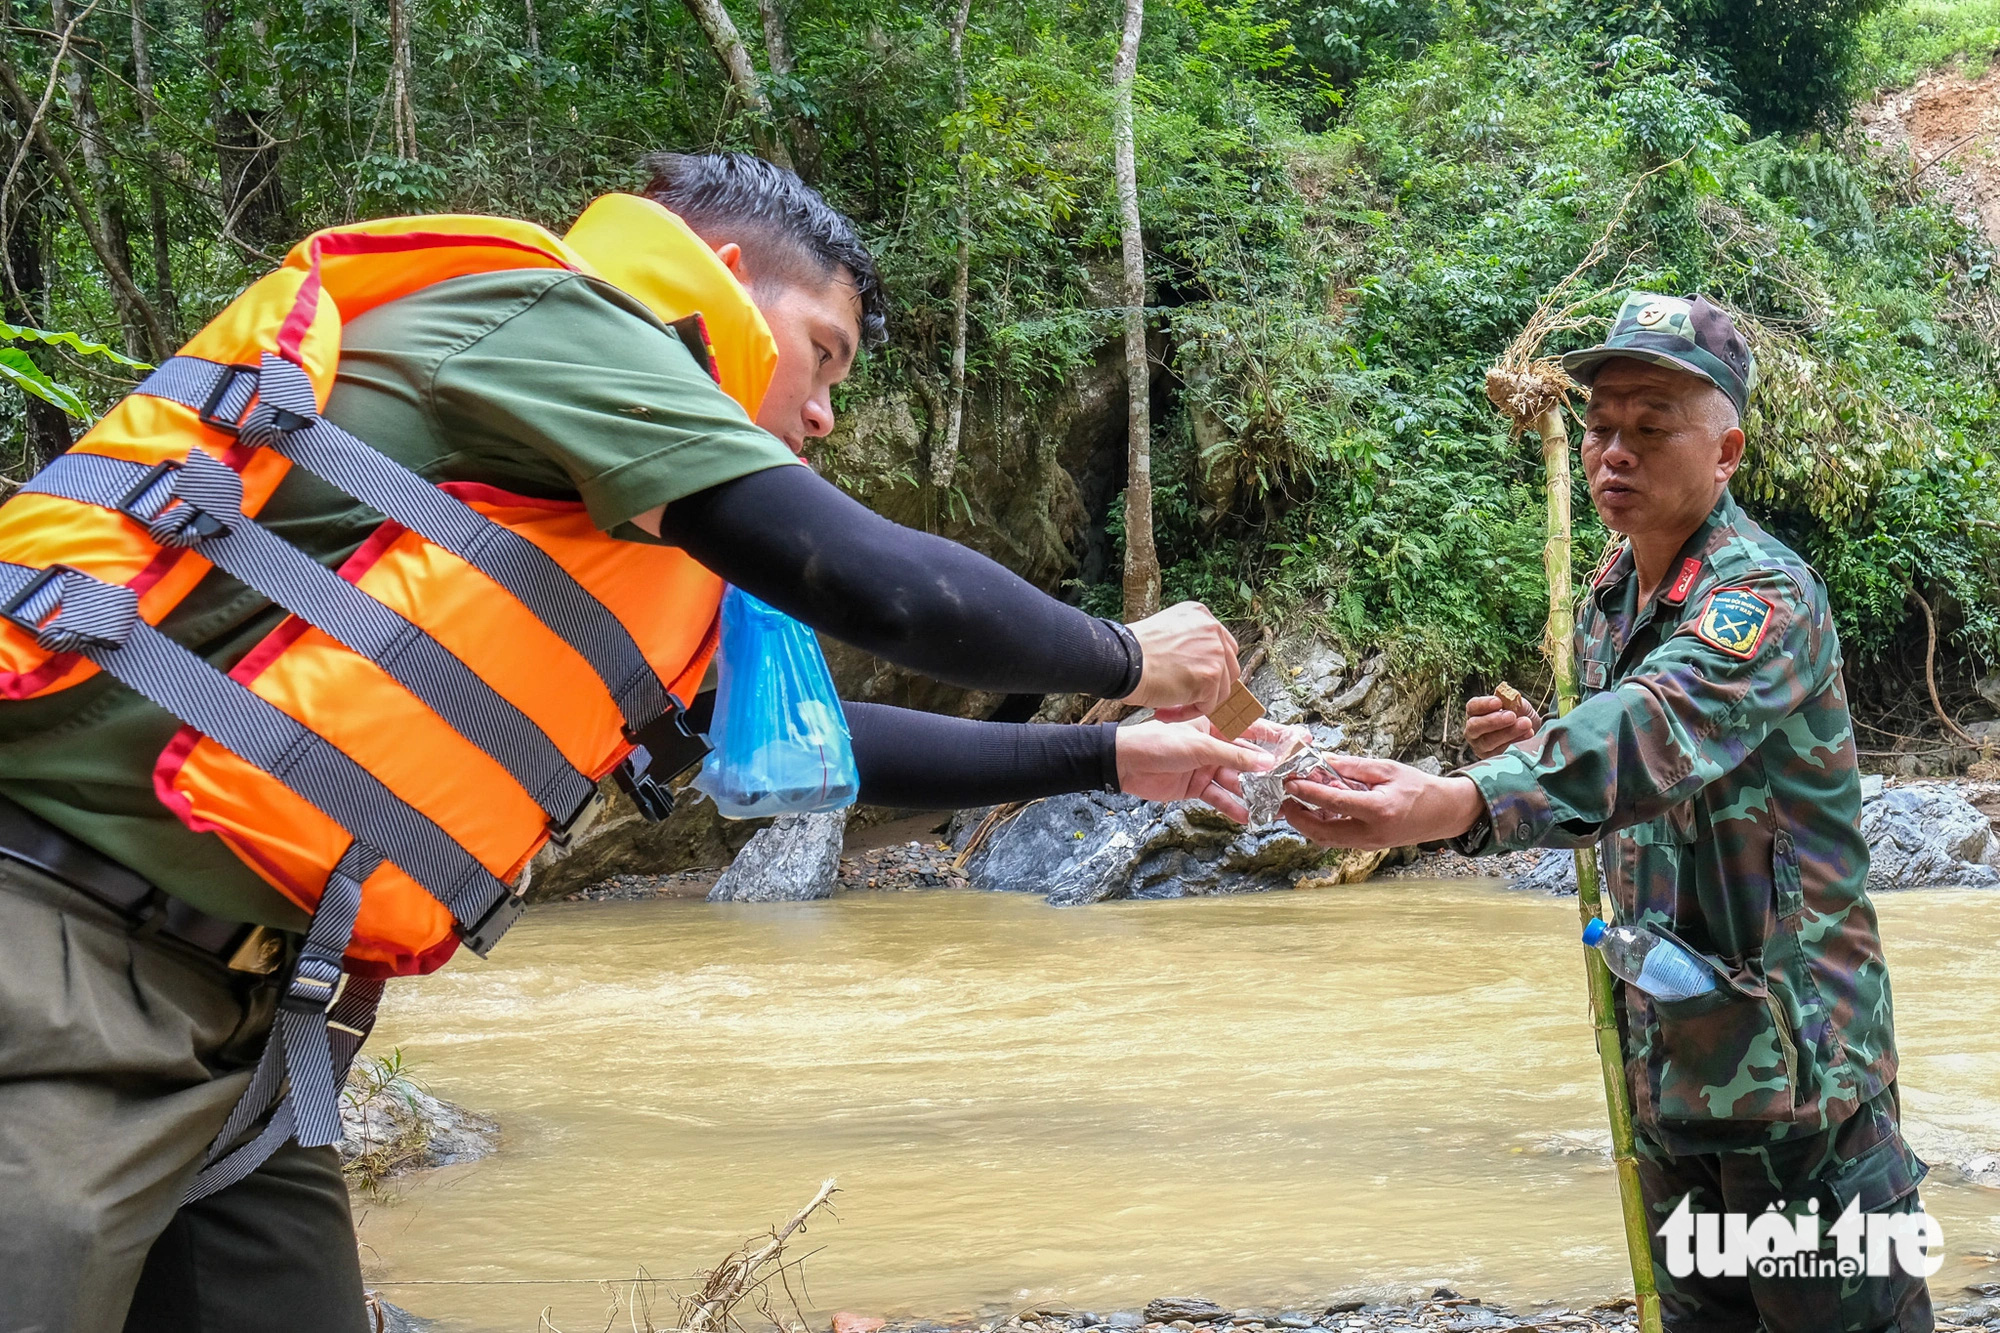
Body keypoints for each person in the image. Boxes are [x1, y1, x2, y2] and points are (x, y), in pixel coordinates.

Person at [0, 153, 1278, 1332]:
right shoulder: (547, 320)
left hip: (252, 1023)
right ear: (720, 277)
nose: (825, 416)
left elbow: (811, 752)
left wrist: (1109, 757)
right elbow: (885, 589)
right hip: (57, 940)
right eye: (821, 357)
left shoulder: (612, 527)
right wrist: (1123, 655)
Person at [1282, 293, 1928, 1333]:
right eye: (1598, 425)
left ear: (1725, 451)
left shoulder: (1763, 594)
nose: (1610, 452)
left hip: (1795, 1075)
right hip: (1673, 1061)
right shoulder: (1612, 593)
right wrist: (1537, 738)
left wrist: (1458, 802)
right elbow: (1640, 777)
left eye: (1649, 426)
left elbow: (1659, 725)